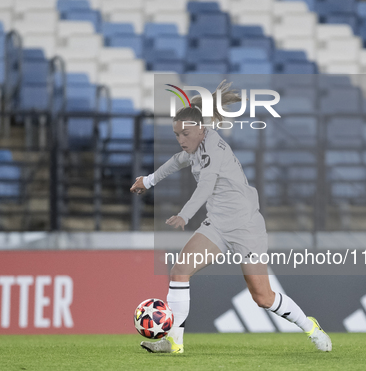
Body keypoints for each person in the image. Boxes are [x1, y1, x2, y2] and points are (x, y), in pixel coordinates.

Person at [130, 80, 332, 354]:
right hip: (217, 226)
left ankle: (310, 327)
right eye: (177, 135)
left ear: (200, 130)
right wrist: (149, 180)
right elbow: (177, 160)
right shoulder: (196, 147)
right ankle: (174, 342)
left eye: (184, 135)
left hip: (246, 227)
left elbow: (206, 186)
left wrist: (185, 214)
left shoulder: (213, 148)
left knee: (263, 297)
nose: (180, 140)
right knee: (179, 272)